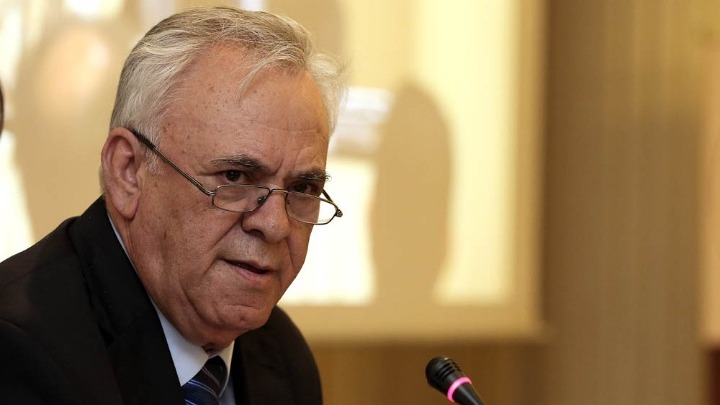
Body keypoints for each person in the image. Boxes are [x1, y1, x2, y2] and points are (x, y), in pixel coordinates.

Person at [0, 6, 345, 405]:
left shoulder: (281, 355)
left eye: (302, 187)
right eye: (235, 177)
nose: (275, 225)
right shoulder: (19, 350)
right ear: (128, 172)